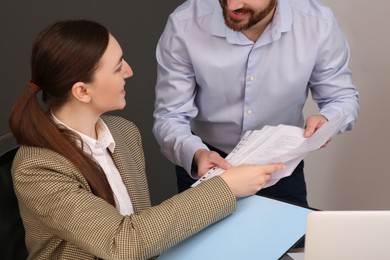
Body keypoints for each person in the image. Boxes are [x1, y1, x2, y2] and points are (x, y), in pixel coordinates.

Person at [9, 20, 284, 260]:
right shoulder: (37, 168)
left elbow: (146, 232)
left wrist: (211, 174)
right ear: (82, 91)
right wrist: (224, 188)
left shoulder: (124, 133)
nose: (129, 71)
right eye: (117, 68)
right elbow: (122, 242)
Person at [153, 0, 360, 207]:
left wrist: (327, 120)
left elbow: (341, 98)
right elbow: (170, 117)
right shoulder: (185, 23)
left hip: (281, 167)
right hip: (207, 164)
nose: (232, 5)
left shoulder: (317, 22)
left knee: (291, 239)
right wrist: (196, 154)